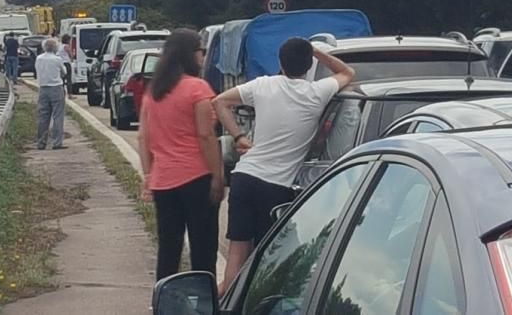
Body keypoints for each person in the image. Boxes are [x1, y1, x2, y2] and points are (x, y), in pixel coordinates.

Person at [212, 38, 355, 294]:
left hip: (244, 177)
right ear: (308, 64)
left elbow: (219, 102)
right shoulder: (317, 92)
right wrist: (317, 52)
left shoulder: (263, 85)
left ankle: (226, 304)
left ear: (280, 62)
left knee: (237, 257)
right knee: (270, 264)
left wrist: (239, 137)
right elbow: (347, 73)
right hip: (276, 188)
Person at [137, 29, 223, 281]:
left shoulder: (154, 91)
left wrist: (148, 175)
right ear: (190, 54)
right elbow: (206, 136)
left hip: (164, 181)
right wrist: (217, 176)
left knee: (169, 248)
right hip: (197, 177)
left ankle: (164, 300)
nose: (203, 56)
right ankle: (203, 303)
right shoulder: (197, 88)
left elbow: (144, 137)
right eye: (201, 50)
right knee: (203, 248)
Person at [35, 38, 68, 150]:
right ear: (55, 47)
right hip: (56, 88)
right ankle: (57, 142)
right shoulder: (57, 59)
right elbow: (64, 72)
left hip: (43, 88)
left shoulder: (39, 59)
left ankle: (41, 142)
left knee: (43, 116)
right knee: (58, 116)